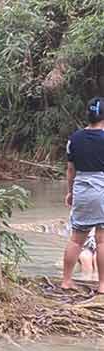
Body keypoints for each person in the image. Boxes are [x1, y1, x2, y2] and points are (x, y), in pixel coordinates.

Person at [62, 97, 104, 293]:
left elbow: (71, 170)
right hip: (102, 189)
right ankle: (103, 285)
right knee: (102, 240)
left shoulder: (74, 138)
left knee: (76, 240)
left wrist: (70, 192)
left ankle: (66, 280)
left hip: (81, 189)